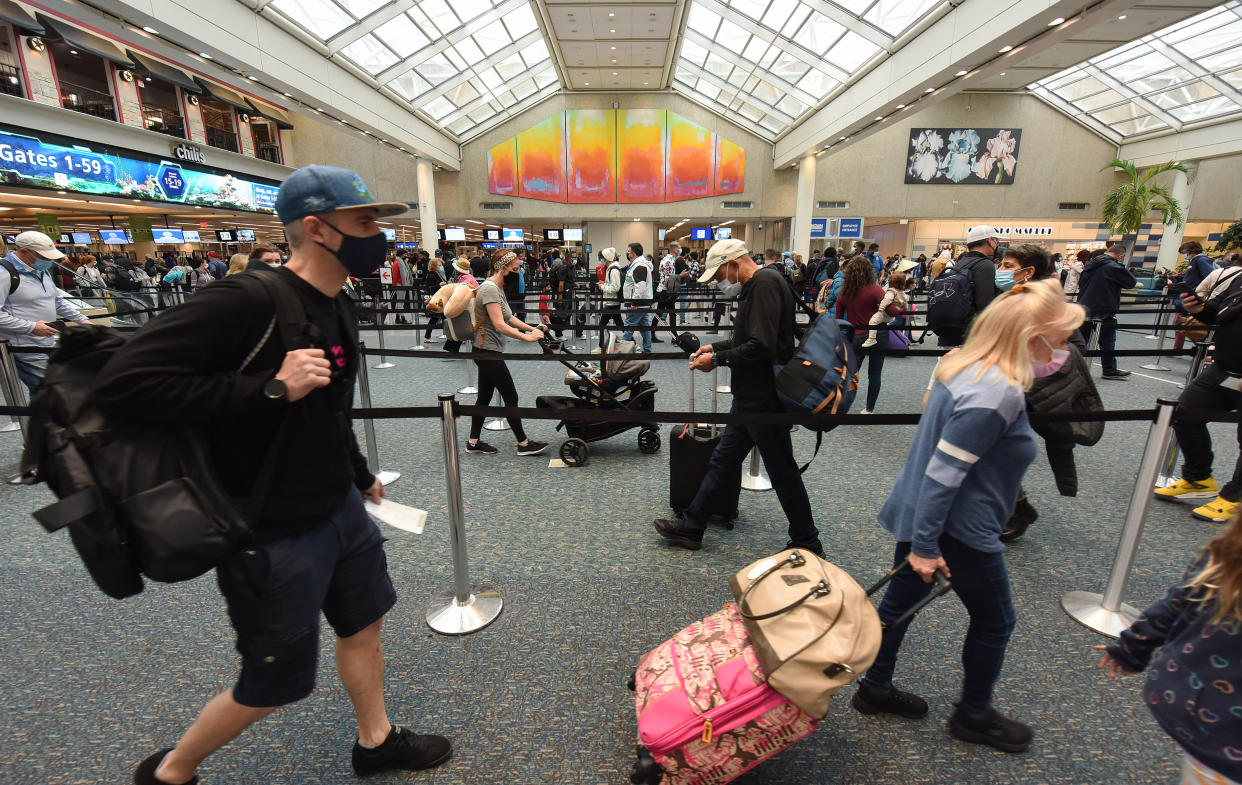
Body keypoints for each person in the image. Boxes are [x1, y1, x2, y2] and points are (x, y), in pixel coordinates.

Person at [93, 165, 452, 784]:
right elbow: (123, 386)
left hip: (337, 506)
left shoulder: (339, 303)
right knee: (274, 680)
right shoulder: (245, 299)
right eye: (364, 222)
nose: (379, 235)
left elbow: (329, 405)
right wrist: (265, 391)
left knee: (363, 625)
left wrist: (359, 474)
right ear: (316, 228)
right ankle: (172, 770)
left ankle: (377, 742)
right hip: (269, 528)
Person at [853, 278, 1084, 754]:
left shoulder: (960, 365)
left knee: (895, 610)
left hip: (927, 513)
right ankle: (973, 715)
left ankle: (874, 688)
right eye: (1059, 338)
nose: (1064, 348)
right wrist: (925, 546)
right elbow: (945, 472)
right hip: (956, 526)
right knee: (996, 620)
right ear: (1030, 337)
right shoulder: (996, 392)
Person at [652, 239, 822, 555]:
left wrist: (715, 361)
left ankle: (807, 539)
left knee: (781, 470)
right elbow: (748, 336)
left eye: (719, 275)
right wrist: (715, 348)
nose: (719, 283)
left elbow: (763, 346)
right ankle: (692, 526)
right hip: (751, 395)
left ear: (734, 263)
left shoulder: (764, 284)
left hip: (763, 398)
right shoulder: (760, 285)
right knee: (723, 461)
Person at [1096, 513, 1242, 785]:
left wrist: (1131, 648)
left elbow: (1171, 606)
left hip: (1197, 706)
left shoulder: (1220, 558)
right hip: (1223, 736)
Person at [995, 245, 1100, 541]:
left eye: (1007, 264)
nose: (1000, 269)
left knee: (1000, 452)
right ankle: (1014, 507)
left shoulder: (1043, 303)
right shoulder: (1015, 297)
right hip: (1014, 391)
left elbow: (1072, 349)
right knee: (995, 452)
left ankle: (1014, 509)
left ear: (1028, 271)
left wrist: (1028, 363)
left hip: (1031, 395)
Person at [1154, 268, 1242, 523]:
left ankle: (1234, 497)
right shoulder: (1239, 279)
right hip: (1224, 369)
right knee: (1184, 413)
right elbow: (1217, 311)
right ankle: (1199, 478)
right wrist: (1198, 308)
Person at [464, 248, 549, 457]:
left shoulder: (498, 288)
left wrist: (532, 328)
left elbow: (510, 318)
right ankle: (523, 443)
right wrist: (527, 338)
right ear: (503, 268)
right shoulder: (490, 289)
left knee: (484, 397)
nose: (518, 273)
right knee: (511, 395)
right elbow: (500, 325)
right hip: (487, 352)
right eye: (515, 269)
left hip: (488, 350)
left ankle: (473, 442)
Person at [0, 231, 89, 393]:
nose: (48, 261)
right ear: (24, 251)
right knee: (53, 392)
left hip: (47, 343)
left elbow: (57, 301)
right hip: (23, 347)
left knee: (50, 392)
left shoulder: (40, 270)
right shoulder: (4, 273)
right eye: (43, 256)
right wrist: (31, 327)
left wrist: (82, 320)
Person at [1076, 242, 1135, 380]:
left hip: (1084, 306)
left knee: (1080, 342)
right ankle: (1109, 370)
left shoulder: (1090, 264)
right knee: (1107, 342)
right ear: (1120, 256)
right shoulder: (1113, 267)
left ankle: (1073, 369)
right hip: (1104, 309)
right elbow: (1131, 282)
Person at [836, 256, 887, 414]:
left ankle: (841, 405)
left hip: (856, 336)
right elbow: (888, 309)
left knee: (850, 373)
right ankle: (869, 408)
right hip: (878, 335)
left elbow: (838, 318)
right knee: (875, 373)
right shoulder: (876, 290)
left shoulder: (844, 292)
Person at [937, 226, 1002, 346]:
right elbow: (984, 304)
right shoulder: (985, 264)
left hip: (951, 330)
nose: (997, 245)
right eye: (997, 241)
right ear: (990, 240)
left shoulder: (962, 262)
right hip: (969, 335)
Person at [862, 270, 911, 349]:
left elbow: (886, 300)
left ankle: (871, 338)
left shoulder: (891, 291)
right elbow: (905, 303)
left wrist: (881, 308)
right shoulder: (902, 293)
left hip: (884, 313)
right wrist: (904, 308)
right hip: (892, 316)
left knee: (873, 321)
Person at [621, 242, 654, 354]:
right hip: (642, 302)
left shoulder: (639, 266)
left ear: (633, 253)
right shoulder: (638, 264)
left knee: (629, 326)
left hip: (637, 303)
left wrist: (634, 302)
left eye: (629, 251)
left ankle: (621, 352)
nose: (627, 253)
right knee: (645, 328)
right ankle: (647, 350)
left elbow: (640, 286)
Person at [596, 247, 625, 352]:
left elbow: (615, 287)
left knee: (602, 325)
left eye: (602, 258)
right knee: (619, 324)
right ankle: (632, 343)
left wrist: (602, 287)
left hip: (612, 302)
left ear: (606, 258)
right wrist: (605, 284)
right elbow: (613, 285)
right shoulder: (612, 269)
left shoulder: (613, 270)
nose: (601, 260)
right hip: (612, 301)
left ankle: (601, 347)